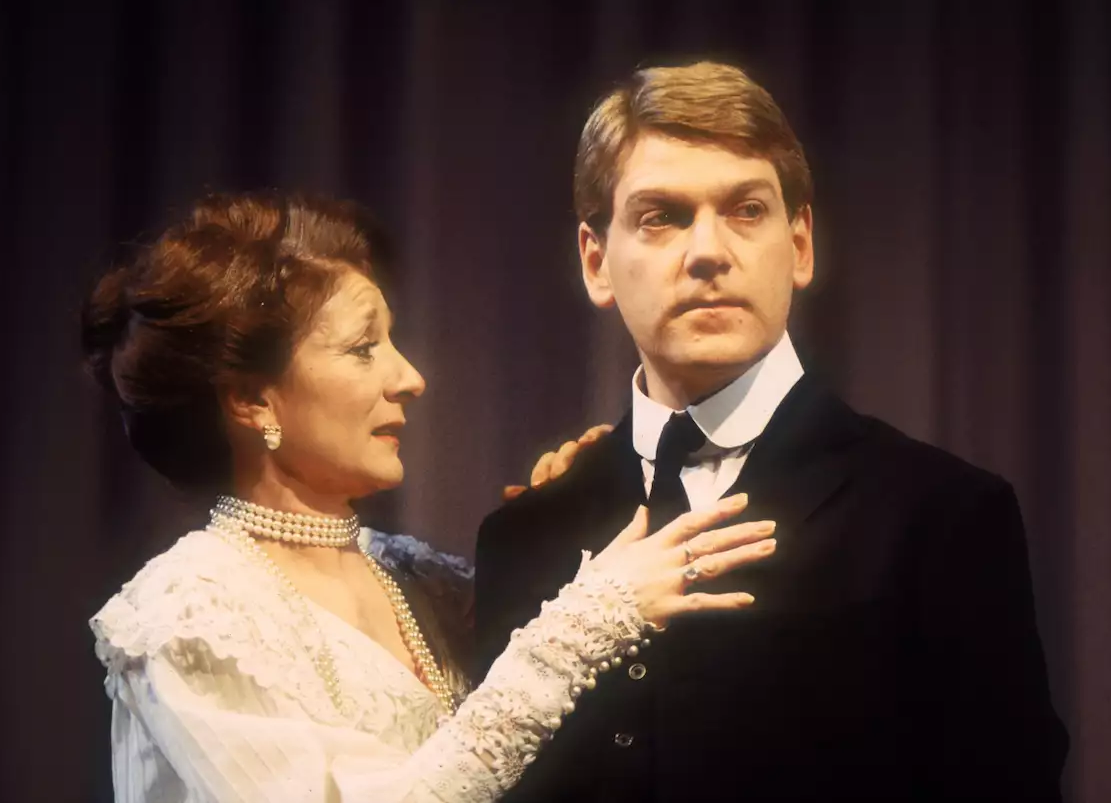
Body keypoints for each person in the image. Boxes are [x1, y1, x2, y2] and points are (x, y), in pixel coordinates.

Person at [473, 61, 1069, 802]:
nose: (708, 252)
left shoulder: (942, 515)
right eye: (661, 216)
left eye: (746, 210)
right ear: (596, 261)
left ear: (801, 244)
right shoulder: (521, 535)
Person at [82, 191, 780, 802]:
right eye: (363, 348)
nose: (409, 377)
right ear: (251, 399)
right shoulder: (187, 613)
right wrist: (591, 615)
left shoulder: (423, 583)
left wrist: (557, 526)